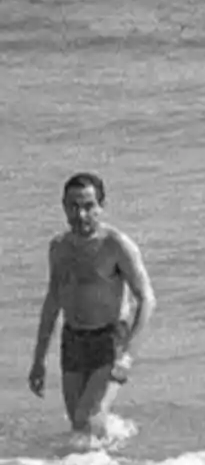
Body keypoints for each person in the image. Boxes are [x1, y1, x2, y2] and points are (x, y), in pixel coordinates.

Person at [27, 173, 157, 438]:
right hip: (73, 340)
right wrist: (39, 359)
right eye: (73, 206)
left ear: (101, 206)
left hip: (110, 341)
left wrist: (128, 355)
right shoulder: (59, 247)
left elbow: (147, 299)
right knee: (80, 427)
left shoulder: (116, 245)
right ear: (64, 206)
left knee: (88, 421)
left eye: (88, 206)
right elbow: (53, 302)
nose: (81, 215)